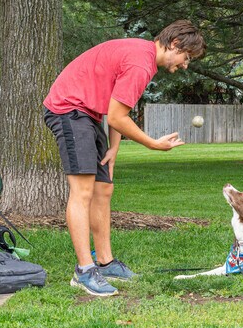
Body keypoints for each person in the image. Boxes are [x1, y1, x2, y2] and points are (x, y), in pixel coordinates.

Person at [43, 20, 206, 296]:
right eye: (186, 57)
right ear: (175, 44)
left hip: (89, 113)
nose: (185, 64)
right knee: (82, 191)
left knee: (103, 188)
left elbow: (116, 108)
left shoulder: (143, 57)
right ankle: (84, 271)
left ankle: (105, 263)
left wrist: (114, 149)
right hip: (68, 109)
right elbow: (118, 115)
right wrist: (153, 144)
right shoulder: (141, 63)